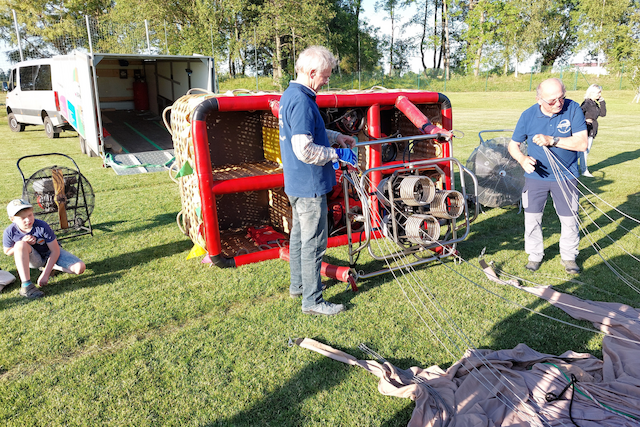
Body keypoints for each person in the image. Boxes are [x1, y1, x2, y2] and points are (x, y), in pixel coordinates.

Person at [278, 46, 357, 316]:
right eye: (325, 76)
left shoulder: (292, 95)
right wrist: (338, 153)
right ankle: (312, 301)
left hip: (297, 184)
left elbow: (310, 131)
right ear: (312, 72)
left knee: (300, 239)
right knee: (314, 243)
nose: (326, 81)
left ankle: (298, 285)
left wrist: (336, 137)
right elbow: (304, 149)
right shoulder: (301, 100)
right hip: (309, 186)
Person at [508, 78, 588, 274]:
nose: (558, 103)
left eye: (561, 97)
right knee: (532, 219)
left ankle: (569, 257)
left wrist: (552, 140)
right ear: (539, 99)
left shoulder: (573, 109)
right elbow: (513, 145)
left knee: (569, 219)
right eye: (552, 100)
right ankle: (535, 256)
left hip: (566, 176)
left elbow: (582, 144)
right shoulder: (528, 116)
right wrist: (522, 159)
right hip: (536, 178)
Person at [3, 199, 86, 298]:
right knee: (20, 245)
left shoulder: (42, 226)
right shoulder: (10, 231)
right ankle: (27, 286)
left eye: (30, 215)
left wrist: (45, 274)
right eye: (23, 218)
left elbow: (55, 250)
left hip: (49, 253)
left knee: (80, 268)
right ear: (12, 219)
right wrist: (24, 242)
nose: (28, 220)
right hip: (34, 260)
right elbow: (7, 251)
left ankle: (50, 267)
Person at [579, 84, 606, 177]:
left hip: (592, 130)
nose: (600, 95)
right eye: (598, 93)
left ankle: (579, 168)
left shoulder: (594, 103)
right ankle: (584, 170)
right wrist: (585, 120)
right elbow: (578, 114)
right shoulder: (586, 103)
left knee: (585, 151)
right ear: (592, 93)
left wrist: (602, 102)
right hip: (585, 129)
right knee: (583, 151)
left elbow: (603, 114)